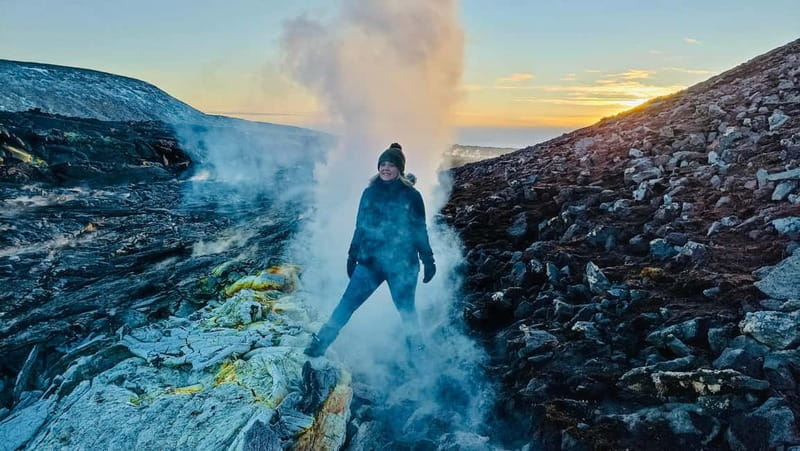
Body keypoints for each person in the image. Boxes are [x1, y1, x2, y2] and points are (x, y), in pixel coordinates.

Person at [304, 142, 436, 357]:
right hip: (370, 262)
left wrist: (428, 260)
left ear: (399, 169)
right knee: (347, 303)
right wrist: (352, 254)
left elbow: (419, 229)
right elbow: (361, 226)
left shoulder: (412, 196)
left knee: (407, 310)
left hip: (402, 265)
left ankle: (418, 350)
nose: (385, 168)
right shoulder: (370, 193)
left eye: (391, 165)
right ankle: (320, 342)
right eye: (382, 164)